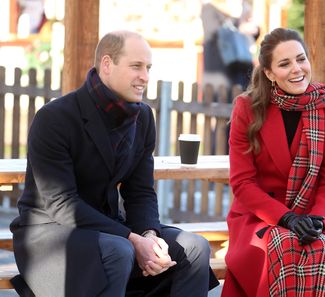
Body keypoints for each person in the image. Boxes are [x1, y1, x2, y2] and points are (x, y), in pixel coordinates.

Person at [9, 30, 219, 297]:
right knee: (118, 250)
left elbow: (140, 192)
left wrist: (150, 235)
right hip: (49, 234)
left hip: (109, 229)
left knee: (194, 248)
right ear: (107, 65)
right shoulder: (55, 118)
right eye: (136, 67)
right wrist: (132, 240)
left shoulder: (142, 117)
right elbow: (62, 205)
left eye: (148, 68)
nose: (145, 76)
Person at [221, 28, 325, 296]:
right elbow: (243, 184)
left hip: (311, 215)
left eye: (301, 59)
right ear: (269, 73)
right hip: (259, 218)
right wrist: (286, 218)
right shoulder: (247, 108)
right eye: (285, 63)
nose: (297, 69)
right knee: (282, 245)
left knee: (322, 248)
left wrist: (317, 220)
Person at [201, 0, 259, 92]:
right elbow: (213, 33)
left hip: (242, 68)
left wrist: (254, 28)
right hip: (220, 71)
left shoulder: (244, 8)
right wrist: (238, 25)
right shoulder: (210, 8)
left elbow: (253, 33)